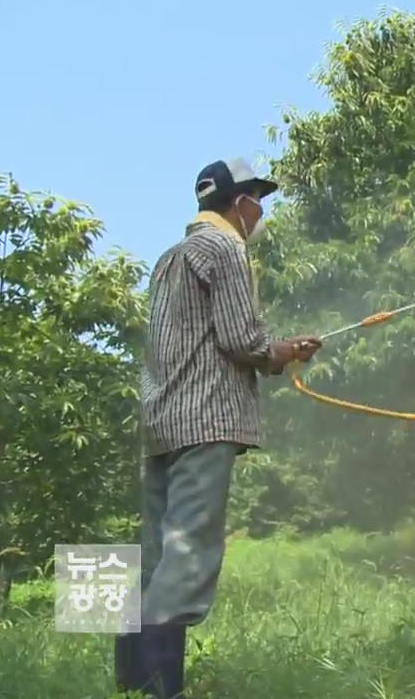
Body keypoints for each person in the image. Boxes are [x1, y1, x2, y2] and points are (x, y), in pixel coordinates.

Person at [115, 158, 323, 697]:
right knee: (188, 556)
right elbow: (240, 340)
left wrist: (275, 353)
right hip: (205, 421)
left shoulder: (171, 256)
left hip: (161, 421)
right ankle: (162, 691)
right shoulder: (226, 248)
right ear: (239, 203)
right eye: (258, 201)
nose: (260, 212)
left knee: (153, 556)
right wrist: (282, 352)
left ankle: (127, 686)